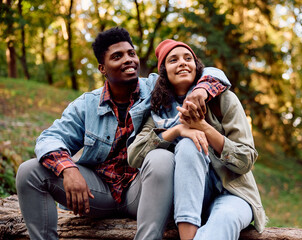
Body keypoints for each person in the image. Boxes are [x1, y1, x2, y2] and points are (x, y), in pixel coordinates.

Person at [15, 27, 231, 240]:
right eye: (117, 56)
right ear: (102, 68)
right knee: (29, 171)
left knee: (161, 157)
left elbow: (211, 73)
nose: (128, 60)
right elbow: (49, 138)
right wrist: (68, 169)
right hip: (96, 192)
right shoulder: (86, 105)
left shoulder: (156, 87)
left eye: (131, 54)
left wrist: (201, 91)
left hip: (143, 192)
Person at [128, 39, 267, 240]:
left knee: (225, 218)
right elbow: (134, 156)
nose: (182, 63)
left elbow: (246, 160)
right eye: (173, 60)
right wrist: (178, 130)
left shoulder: (223, 100)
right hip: (191, 200)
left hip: (233, 193)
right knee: (188, 143)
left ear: (196, 66)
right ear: (164, 72)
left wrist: (202, 127)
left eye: (188, 58)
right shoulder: (159, 111)